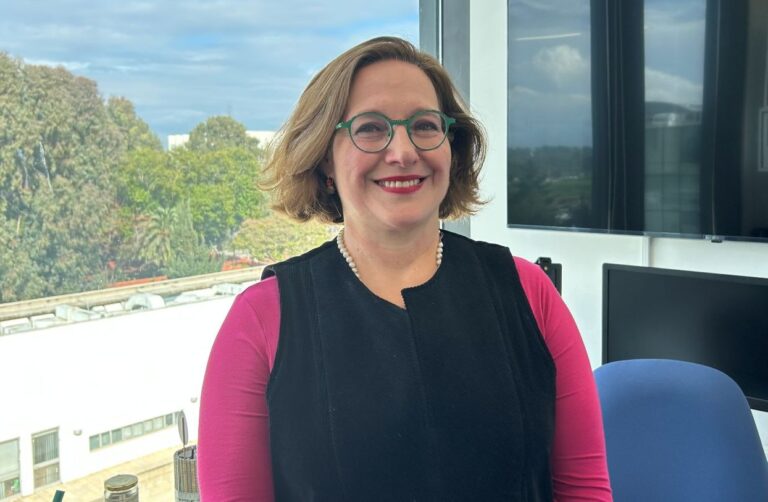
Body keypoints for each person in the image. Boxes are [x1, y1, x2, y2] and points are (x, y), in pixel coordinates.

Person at [198, 36, 612, 501]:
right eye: (371, 128)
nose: (403, 151)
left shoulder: (529, 292)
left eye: (424, 125)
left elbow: (584, 491)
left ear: (451, 148)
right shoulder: (261, 320)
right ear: (325, 159)